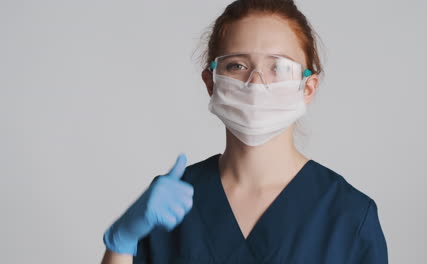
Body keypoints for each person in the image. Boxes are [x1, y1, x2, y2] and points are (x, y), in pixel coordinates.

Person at [100, 0, 388, 263]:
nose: (256, 82)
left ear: (308, 87)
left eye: (278, 67)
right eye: (237, 65)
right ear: (211, 82)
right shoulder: (170, 204)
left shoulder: (347, 216)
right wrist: (121, 243)